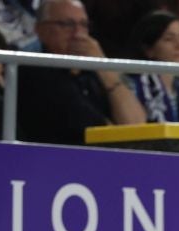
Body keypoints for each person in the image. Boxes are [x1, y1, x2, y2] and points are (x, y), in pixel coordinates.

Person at [15, 0, 145, 145]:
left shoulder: (94, 74)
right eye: (67, 24)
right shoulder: (35, 72)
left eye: (83, 25)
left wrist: (104, 67)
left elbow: (138, 127)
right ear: (40, 30)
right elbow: (106, 133)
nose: (78, 34)